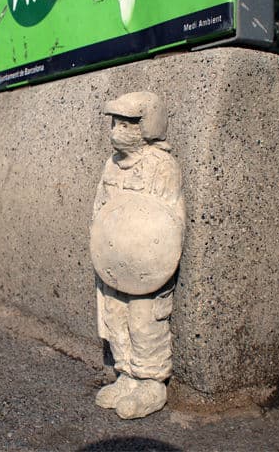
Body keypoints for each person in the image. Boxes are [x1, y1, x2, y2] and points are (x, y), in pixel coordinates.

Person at [90, 91, 186, 419]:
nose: (117, 130)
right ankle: (126, 374)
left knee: (145, 319)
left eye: (128, 124)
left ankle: (151, 380)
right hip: (116, 259)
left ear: (147, 126)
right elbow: (100, 209)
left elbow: (164, 221)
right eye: (115, 123)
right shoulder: (111, 165)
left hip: (146, 263)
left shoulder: (162, 165)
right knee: (115, 316)